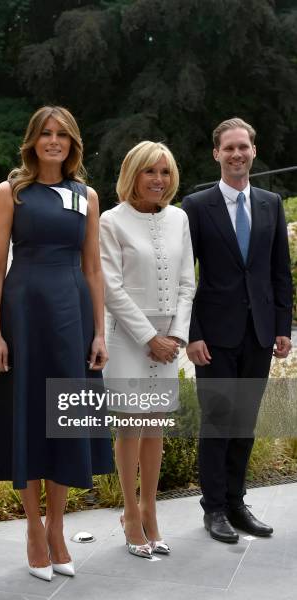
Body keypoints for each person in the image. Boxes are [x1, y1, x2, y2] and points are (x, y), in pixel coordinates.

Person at [0, 106, 113, 581]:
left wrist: (99, 330)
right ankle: (33, 528)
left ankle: (57, 528)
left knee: (67, 418)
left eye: (63, 135)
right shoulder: (12, 192)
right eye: (46, 134)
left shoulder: (86, 195)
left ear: (73, 143)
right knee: (30, 415)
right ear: (32, 140)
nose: (54, 141)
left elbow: (93, 267)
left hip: (71, 314)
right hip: (24, 312)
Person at [182, 117, 293, 543]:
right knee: (218, 419)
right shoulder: (196, 206)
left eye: (243, 146)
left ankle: (236, 502)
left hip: (259, 333)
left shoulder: (270, 202)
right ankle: (213, 509)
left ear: (253, 150)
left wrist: (282, 325)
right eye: (228, 148)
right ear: (216, 154)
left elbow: (278, 271)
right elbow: (183, 275)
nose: (237, 154)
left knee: (245, 420)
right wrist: (192, 333)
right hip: (213, 334)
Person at [99, 141, 195, 557]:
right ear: (132, 174)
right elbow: (110, 287)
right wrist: (148, 338)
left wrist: (176, 336)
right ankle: (130, 514)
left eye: (166, 172)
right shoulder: (110, 220)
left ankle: (150, 509)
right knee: (131, 426)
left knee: (155, 426)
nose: (159, 180)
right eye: (150, 172)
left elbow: (188, 283)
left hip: (169, 342)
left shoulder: (180, 219)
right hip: (128, 339)